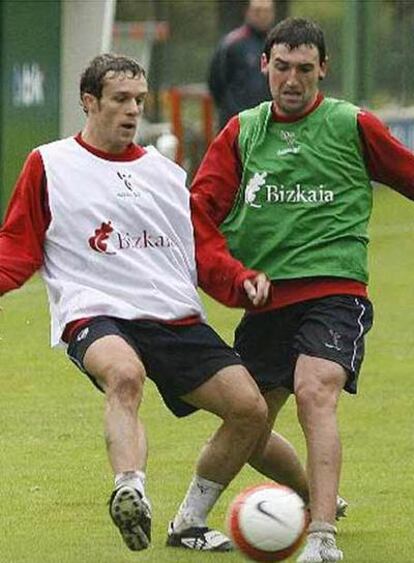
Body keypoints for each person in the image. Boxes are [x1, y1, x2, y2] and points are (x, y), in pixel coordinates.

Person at [0, 53, 272, 553]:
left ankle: (192, 521)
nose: (131, 110)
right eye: (120, 99)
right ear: (89, 102)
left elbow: (204, 249)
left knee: (250, 410)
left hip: (173, 315)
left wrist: (241, 281)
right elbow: (15, 249)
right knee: (125, 375)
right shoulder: (50, 164)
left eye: (139, 100)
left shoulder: (165, 175)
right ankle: (130, 487)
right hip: (95, 310)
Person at [191, 17, 414, 563]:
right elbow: (198, 216)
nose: (293, 80)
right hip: (266, 299)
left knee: (316, 392)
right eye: (283, 67)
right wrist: (234, 276)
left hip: (336, 290)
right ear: (265, 65)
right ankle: (191, 518)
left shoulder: (351, 124)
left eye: (305, 69)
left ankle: (320, 537)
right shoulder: (242, 131)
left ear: (324, 70)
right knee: (249, 419)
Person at [208, 0, 275, 130]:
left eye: (266, 11)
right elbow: (216, 82)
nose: (262, 15)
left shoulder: (278, 43)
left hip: (270, 125)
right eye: (257, 11)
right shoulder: (231, 43)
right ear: (247, 12)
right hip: (237, 124)